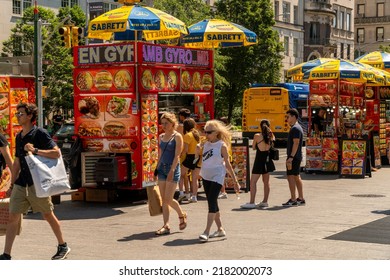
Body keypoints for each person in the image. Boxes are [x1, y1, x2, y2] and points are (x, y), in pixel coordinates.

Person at [0, 103, 70, 260]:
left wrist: (35, 150)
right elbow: (17, 162)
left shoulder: (40, 133)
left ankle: (63, 245)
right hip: (21, 183)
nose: (18, 116)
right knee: (13, 217)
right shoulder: (19, 136)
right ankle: (6, 254)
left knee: (47, 215)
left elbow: (56, 153)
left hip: (38, 183)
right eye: (17, 113)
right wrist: (12, 184)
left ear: (30, 116)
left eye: (21, 114)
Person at [198, 120, 240, 242]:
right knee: (213, 203)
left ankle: (206, 231)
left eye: (209, 132)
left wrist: (235, 181)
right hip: (206, 175)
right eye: (205, 132)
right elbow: (198, 158)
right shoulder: (204, 144)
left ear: (216, 133)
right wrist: (197, 150)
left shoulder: (222, 145)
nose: (206, 135)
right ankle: (220, 229)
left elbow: (227, 164)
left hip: (217, 175)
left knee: (211, 201)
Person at [154, 112, 187, 235]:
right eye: (162, 123)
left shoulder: (177, 136)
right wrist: (156, 168)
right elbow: (160, 154)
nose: (163, 125)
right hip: (162, 168)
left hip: (172, 168)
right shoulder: (161, 136)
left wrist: (172, 170)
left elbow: (177, 155)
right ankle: (166, 225)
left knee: (168, 198)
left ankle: (181, 214)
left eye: (166, 123)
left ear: (173, 123)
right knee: (164, 199)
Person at [241, 119, 275, 209]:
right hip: (267, 160)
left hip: (259, 160)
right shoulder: (271, 135)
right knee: (266, 182)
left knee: (253, 182)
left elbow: (253, 147)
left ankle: (252, 202)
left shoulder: (257, 136)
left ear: (260, 126)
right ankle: (265, 201)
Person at [283, 108, 305, 207]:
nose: (287, 119)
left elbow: (296, 143)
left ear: (294, 117)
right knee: (296, 176)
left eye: (288, 117)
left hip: (294, 157)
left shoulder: (295, 128)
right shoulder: (297, 127)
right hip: (297, 156)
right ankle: (300, 198)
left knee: (291, 177)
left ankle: (293, 199)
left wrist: (291, 157)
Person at [179, 118, 200, 203]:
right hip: (197, 157)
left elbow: (186, 150)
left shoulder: (187, 135)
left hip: (189, 157)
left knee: (181, 175)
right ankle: (194, 196)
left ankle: (182, 193)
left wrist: (180, 156)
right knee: (194, 178)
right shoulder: (196, 134)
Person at [176, 108, 191, 201]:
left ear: (181, 116)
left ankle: (182, 192)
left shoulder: (179, 126)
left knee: (182, 174)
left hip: (181, 151)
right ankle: (188, 193)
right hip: (189, 151)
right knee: (187, 175)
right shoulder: (192, 125)